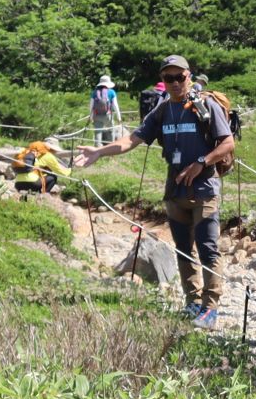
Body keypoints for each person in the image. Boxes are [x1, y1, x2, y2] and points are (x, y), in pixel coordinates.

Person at [72, 54, 234, 324]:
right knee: (183, 248)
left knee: (208, 248)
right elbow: (130, 141)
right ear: (163, 80)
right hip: (175, 191)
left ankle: (211, 307)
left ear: (189, 76)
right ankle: (192, 302)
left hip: (204, 188)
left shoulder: (205, 106)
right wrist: (100, 151)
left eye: (179, 77)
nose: (174, 83)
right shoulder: (161, 110)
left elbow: (227, 143)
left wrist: (201, 163)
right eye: (168, 78)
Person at [89, 75, 122, 145]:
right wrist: (119, 117)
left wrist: (90, 117)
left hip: (97, 115)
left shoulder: (94, 92)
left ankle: (97, 149)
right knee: (111, 130)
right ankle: (111, 147)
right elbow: (115, 105)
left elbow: (91, 106)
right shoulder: (111, 92)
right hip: (108, 115)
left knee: (98, 132)